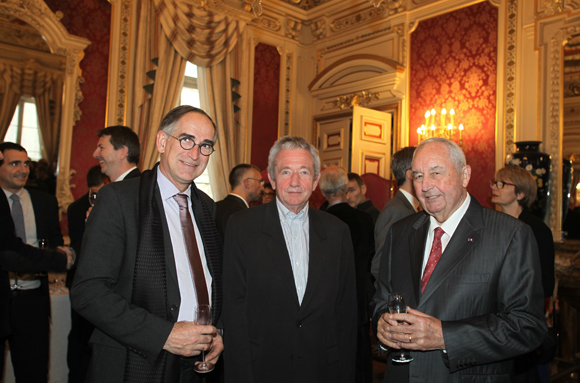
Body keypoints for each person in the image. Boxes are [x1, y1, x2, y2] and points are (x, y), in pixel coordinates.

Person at [371, 137, 547, 383]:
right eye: (418, 176)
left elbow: (527, 326)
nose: (425, 186)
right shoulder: (400, 231)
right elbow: (381, 298)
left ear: (465, 175)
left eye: (436, 173)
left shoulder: (510, 235)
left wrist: (445, 337)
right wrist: (381, 323)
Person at [72, 105, 224, 383]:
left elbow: (214, 283)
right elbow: (88, 291)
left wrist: (218, 333)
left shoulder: (207, 208)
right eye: (187, 139)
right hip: (134, 361)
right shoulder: (119, 200)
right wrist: (163, 336)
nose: (195, 154)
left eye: (205, 146)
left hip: (196, 366)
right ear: (162, 142)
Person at [222, 136, 357, 383]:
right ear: (272, 179)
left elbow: (346, 315)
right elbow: (233, 311)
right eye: (286, 171)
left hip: (322, 370)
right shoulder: (242, 227)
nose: (295, 182)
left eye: (304, 172)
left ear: (315, 180)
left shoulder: (338, 231)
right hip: (261, 369)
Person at [0, 148, 73, 379]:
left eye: (26, 163)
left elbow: (55, 242)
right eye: (14, 164)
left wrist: (57, 254)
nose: (23, 170)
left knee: (34, 374)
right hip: (2, 300)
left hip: (32, 300)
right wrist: (59, 260)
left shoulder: (45, 202)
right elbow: (8, 252)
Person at [490, 166, 555, 383]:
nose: (495, 187)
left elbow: (546, 283)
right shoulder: (490, 226)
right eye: (495, 182)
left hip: (520, 322)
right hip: (492, 322)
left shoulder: (538, 230)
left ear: (521, 194)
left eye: (502, 184)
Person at [319, 165, 375, 383]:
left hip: (328, 301)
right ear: (345, 188)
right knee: (360, 357)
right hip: (359, 297)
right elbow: (372, 260)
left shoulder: (319, 219)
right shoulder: (364, 219)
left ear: (322, 190)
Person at [66, 165, 108, 383]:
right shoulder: (78, 209)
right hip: (84, 281)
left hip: (93, 285)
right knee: (82, 340)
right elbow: (81, 250)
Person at [372, 147, 419, 280]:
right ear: (410, 175)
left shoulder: (412, 207)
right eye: (421, 171)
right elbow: (380, 264)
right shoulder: (395, 210)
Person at [215, 164, 263, 238]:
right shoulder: (244, 214)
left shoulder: (214, 207)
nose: (262, 187)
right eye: (260, 182)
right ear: (247, 183)